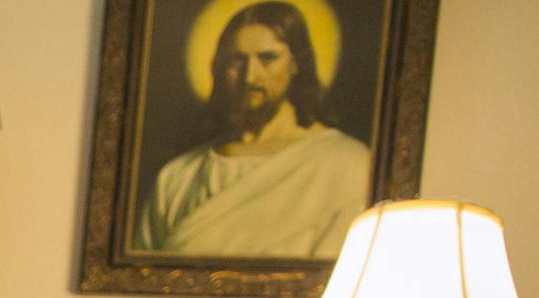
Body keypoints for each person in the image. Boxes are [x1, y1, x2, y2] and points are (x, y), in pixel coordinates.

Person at [133, 2, 373, 259]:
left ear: (296, 63)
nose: (250, 76)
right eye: (237, 60)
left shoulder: (347, 165)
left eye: (267, 58)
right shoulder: (178, 176)